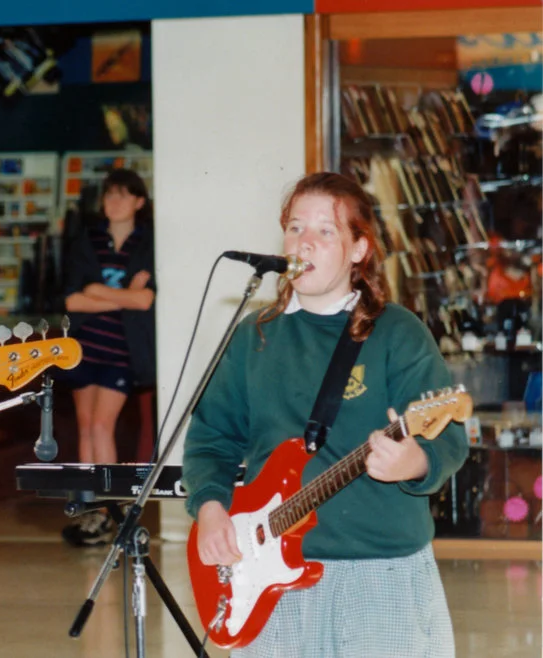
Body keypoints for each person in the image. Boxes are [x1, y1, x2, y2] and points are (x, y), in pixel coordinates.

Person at [182, 172, 469, 657]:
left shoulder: (397, 334)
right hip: (269, 578)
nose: (305, 243)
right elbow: (210, 438)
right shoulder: (255, 335)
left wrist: (414, 463)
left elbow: (449, 439)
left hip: (380, 572)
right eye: (295, 228)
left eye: (326, 231)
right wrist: (209, 508)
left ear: (359, 249)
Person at [60, 168, 156, 547]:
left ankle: (110, 512)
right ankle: (91, 513)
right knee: (86, 427)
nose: (113, 203)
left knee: (103, 425)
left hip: (122, 348)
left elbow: (145, 300)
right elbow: (72, 299)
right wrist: (121, 296)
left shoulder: (146, 243)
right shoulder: (89, 240)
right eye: (109, 196)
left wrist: (97, 290)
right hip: (85, 345)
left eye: (122, 195)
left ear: (138, 202)